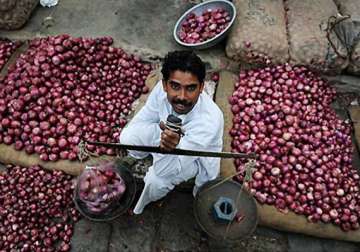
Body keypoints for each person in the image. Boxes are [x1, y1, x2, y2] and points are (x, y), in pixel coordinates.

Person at [119, 50, 224, 214]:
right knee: (126, 137)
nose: (182, 97)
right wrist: (162, 140)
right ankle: (143, 155)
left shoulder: (209, 121)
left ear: (202, 87)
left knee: (156, 180)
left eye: (191, 88)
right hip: (165, 135)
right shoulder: (160, 92)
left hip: (194, 156)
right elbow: (143, 120)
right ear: (165, 85)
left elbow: (166, 170)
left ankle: (144, 203)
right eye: (175, 86)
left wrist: (171, 149)